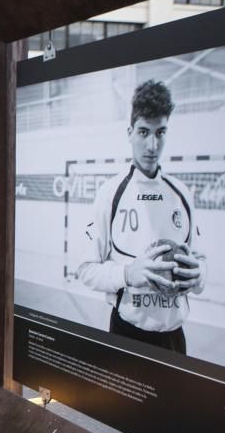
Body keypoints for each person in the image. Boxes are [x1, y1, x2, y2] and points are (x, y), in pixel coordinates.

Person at [77, 79, 206, 354]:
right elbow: (85, 269)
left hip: (174, 338)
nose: (152, 145)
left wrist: (200, 275)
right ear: (130, 132)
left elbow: (201, 261)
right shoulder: (109, 194)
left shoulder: (182, 194)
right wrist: (126, 274)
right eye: (144, 132)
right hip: (127, 333)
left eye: (160, 133)